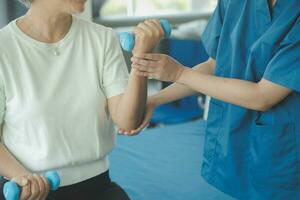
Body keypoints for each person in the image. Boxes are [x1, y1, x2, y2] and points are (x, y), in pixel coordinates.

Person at [120, 0, 300, 199]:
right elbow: (214, 66)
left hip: (280, 149)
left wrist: (179, 73)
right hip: (234, 138)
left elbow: (263, 96)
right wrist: (155, 100)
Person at [0, 0, 165, 199]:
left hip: (98, 187)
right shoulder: (4, 47)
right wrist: (23, 177)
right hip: (30, 191)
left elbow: (127, 120)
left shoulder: (102, 38)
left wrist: (141, 57)